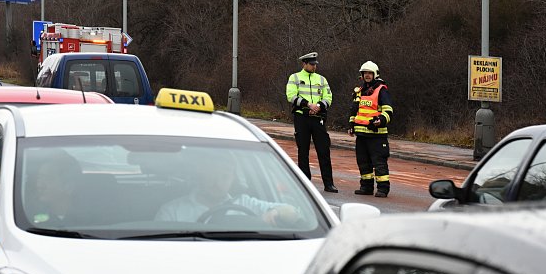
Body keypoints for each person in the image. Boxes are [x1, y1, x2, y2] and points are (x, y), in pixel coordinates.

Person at [155, 151, 300, 225]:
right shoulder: (172, 211)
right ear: (201, 175)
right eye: (212, 174)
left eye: (224, 176)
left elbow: (294, 212)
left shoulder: (245, 203)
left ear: (233, 178)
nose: (218, 182)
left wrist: (275, 212)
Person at [285, 52, 338, 193]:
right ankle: (305, 183)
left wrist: (319, 106)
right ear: (304, 64)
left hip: (317, 117)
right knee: (303, 150)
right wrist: (308, 104)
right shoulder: (294, 77)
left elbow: (328, 96)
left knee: (324, 150)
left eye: (315, 64)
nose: (314, 66)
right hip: (302, 117)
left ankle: (329, 183)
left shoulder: (321, 79)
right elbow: (291, 95)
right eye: (311, 64)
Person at [348, 61, 394, 198]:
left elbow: (388, 110)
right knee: (363, 163)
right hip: (361, 135)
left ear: (375, 74)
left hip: (377, 135)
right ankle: (366, 187)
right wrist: (351, 125)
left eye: (370, 73)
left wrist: (381, 120)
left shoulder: (381, 90)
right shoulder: (359, 91)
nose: (367, 75)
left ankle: (383, 189)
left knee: (379, 163)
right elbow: (354, 110)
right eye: (365, 73)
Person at [28, 149, 83, 225]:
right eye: (39, 178)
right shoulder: (27, 217)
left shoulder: (90, 220)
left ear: (69, 187)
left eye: (48, 179)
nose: (39, 185)